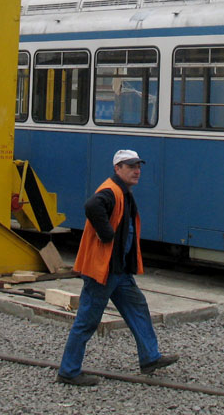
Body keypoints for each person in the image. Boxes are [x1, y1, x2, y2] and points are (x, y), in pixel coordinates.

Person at [57, 149, 178, 386]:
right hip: (103, 271)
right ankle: (68, 371)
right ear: (117, 169)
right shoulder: (111, 191)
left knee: (138, 308)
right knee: (87, 320)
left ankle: (150, 357)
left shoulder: (122, 192)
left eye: (138, 166)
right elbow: (92, 206)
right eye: (131, 166)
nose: (137, 171)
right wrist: (106, 233)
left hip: (118, 270)